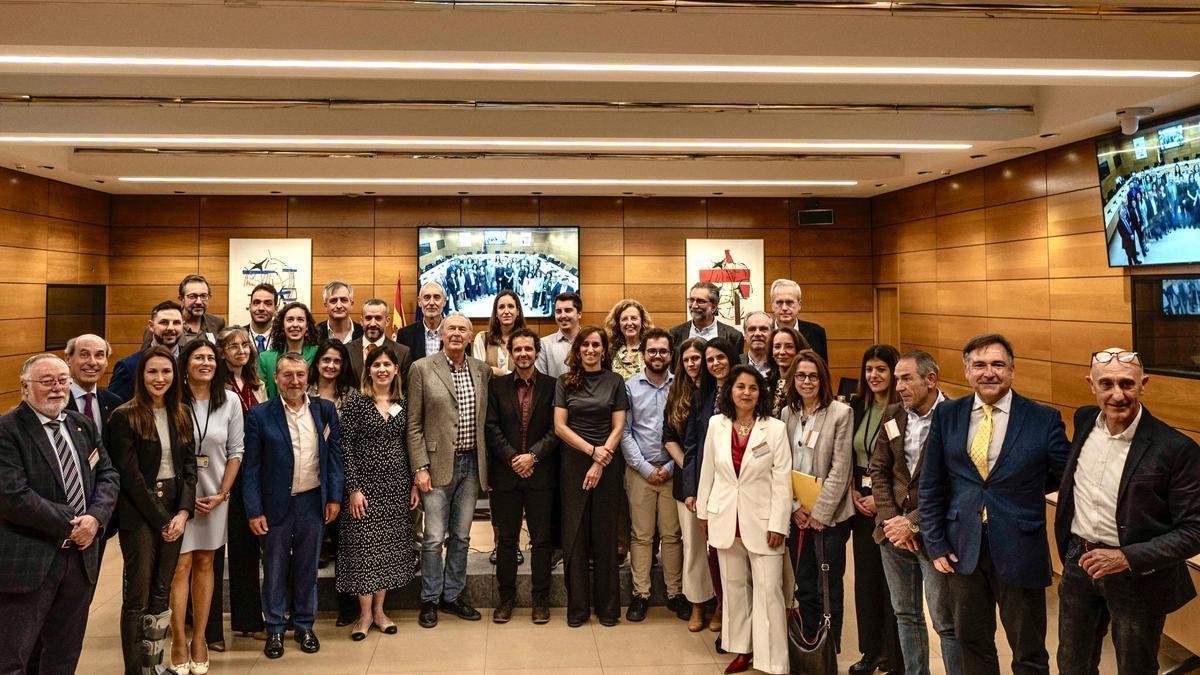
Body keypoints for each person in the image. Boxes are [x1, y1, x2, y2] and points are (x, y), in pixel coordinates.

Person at [919, 334, 1070, 675]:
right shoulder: (947, 415)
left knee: (1029, 651)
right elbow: (931, 484)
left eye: (998, 365)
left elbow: (1066, 475)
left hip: (1021, 547)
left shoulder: (1042, 418)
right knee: (973, 645)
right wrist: (936, 543)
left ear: (1012, 370)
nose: (990, 373)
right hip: (962, 550)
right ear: (967, 371)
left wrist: (1024, 490)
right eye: (980, 365)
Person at [1054, 348, 1200, 675]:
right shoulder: (1083, 421)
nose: (1117, 394)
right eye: (1106, 384)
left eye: (1127, 384)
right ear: (1090, 385)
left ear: (1143, 384)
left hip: (1136, 576)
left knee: (1135, 667)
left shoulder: (1176, 449)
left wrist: (1124, 557)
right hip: (1079, 562)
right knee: (1071, 664)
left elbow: (1195, 531)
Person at [0, 354, 119, 674]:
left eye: (63, 380)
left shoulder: (81, 424)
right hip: (31, 560)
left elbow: (108, 475)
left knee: (64, 655)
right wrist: (71, 525)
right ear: (25, 388)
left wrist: (94, 518)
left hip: (79, 561)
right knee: (13, 658)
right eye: (47, 381)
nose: (57, 388)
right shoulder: (7, 430)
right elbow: (13, 496)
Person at [242, 353, 344, 659]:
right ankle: (274, 628)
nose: (295, 381)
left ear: (307, 377)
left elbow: (334, 458)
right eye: (287, 375)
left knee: (306, 567)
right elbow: (251, 468)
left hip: (313, 501)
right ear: (276, 378)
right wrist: (254, 509)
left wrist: (334, 497)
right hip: (275, 505)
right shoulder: (260, 415)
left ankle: (304, 625)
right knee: (274, 568)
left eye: (300, 375)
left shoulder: (324, 411)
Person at [869, 350, 962, 675]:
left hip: (935, 534)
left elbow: (958, 483)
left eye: (906, 378)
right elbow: (879, 470)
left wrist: (913, 523)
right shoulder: (894, 414)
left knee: (945, 621)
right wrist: (892, 519)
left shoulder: (955, 416)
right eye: (898, 378)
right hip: (892, 534)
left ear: (931, 380)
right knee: (905, 614)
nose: (900, 385)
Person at [696, 365, 791, 675]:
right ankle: (741, 649)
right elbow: (707, 470)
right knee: (735, 590)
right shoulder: (716, 425)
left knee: (768, 591)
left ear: (760, 392)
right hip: (724, 518)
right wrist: (704, 513)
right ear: (730, 391)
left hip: (764, 523)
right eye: (740, 387)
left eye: (752, 387)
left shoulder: (774, 429)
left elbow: (782, 480)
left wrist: (779, 522)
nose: (746, 393)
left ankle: (773, 660)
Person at [109, 346, 197, 675]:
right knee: (138, 596)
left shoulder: (181, 412)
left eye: (166, 372)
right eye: (152, 372)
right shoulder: (124, 416)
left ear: (175, 376)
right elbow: (130, 479)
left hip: (175, 510)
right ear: (141, 376)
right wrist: (164, 521)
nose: (159, 378)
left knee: (162, 593)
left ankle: (154, 665)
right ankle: (136, 670)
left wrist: (183, 513)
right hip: (141, 514)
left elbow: (190, 468)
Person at [407, 313, 492, 628]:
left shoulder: (482, 371)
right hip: (436, 465)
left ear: (471, 337)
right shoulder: (421, 368)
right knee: (432, 538)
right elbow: (413, 425)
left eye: (462, 329)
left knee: (461, 536)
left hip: (472, 465)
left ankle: (452, 595)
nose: (456, 333)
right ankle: (429, 598)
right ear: (440, 335)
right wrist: (420, 467)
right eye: (450, 328)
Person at [168, 339, 244, 674]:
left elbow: (235, 451)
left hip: (215, 496)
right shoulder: (172, 400)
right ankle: (179, 640)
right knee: (179, 567)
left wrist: (222, 494)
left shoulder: (229, 401)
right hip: (178, 499)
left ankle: (200, 637)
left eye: (211, 358)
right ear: (185, 364)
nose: (205, 363)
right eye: (198, 357)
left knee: (206, 562)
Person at [337, 346, 419, 641]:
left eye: (388, 364)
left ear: (397, 369)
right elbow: (345, 447)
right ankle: (364, 614)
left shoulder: (404, 403)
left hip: (396, 486)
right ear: (368, 370)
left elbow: (410, 444)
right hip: (364, 488)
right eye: (376, 365)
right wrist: (354, 489)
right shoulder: (357, 403)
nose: (382, 369)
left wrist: (412, 483)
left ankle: (381, 612)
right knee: (362, 550)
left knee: (387, 549)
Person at [553, 325, 630, 627]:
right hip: (573, 463)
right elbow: (560, 426)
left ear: (603, 349)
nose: (590, 350)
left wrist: (601, 459)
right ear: (578, 349)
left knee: (605, 534)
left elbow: (619, 426)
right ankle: (578, 609)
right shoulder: (564, 382)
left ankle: (608, 609)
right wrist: (591, 452)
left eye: (596, 345)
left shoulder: (615, 381)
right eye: (585, 345)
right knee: (575, 534)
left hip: (608, 464)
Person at [779, 349, 855, 652]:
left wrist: (820, 513)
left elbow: (841, 468)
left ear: (822, 379)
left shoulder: (840, 413)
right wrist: (796, 508)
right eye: (800, 375)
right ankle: (809, 645)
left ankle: (829, 649)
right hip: (797, 515)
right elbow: (782, 463)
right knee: (806, 585)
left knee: (828, 587)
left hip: (829, 518)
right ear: (792, 379)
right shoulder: (787, 414)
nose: (807, 381)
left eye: (812, 376)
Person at [485, 328, 561, 624]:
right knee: (506, 540)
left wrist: (533, 456)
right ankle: (506, 599)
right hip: (506, 475)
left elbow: (557, 428)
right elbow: (490, 427)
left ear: (536, 351)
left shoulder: (553, 385)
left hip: (541, 474)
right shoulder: (497, 387)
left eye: (528, 349)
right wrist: (513, 458)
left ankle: (540, 599)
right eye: (518, 349)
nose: (523, 354)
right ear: (510, 352)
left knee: (542, 540)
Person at [619, 327, 683, 621]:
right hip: (639, 472)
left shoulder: (681, 387)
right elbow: (624, 432)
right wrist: (645, 468)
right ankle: (640, 594)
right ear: (643, 354)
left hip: (673, 471)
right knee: (641, 536)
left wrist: (670, 467)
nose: (657, 356)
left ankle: (675, 593)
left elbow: (685, 433)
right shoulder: (629, 387)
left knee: (672, 535)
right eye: (652, 351)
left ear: (671, 354)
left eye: (663, 351)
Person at [847, 344, 903, 675]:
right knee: (866, 581)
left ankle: (895, 655)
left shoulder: (902, 411)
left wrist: (882, 502)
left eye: (881, 369)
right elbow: (850, 454)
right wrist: (854, 490)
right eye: (869, 370)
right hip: (860, 505)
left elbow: (904, 466)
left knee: (893, 583)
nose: (874, 376)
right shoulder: (858, 407)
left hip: (892, 507)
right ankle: (871, 651)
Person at [216, 328, 267, 641]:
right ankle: (205, 626)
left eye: (244, 344)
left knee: (246, 549)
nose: (240, 349)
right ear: (222, 352)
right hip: (222, 473)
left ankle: (248, 620)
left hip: (254, 471)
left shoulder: (257, 384)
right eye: (232, 346)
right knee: (210, 552)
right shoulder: (216, 386)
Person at [663, 336, 716, 631]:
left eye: (697, 358)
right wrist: (692, 469)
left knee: (720, 547)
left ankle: (720, 605)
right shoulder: (676, 393)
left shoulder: (718, 393)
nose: (692, 364)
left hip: (723, 480)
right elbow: (668, 436)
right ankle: (697, 604)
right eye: (687, 360)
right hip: (688, 480)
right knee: (693, 547)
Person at [112, 301, 186, 402]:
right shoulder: (129, 366)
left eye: (176, 323)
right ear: (151, 326)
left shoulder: (191, 361)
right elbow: (115, 408)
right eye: (164, 322)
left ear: (183, 325)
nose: (170, 328)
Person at [140, 275, 226, 349]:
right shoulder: (159, 325)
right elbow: (144, 358)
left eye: (204, 296)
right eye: (192, 296)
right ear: (181, 299)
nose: (199, 302)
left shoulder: (217, 323)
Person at [257, 302, 320, 398]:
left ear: (307, 326)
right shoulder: (266, 358)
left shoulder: (318, 353)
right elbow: (262, 396)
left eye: (300, 320)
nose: (295, 324)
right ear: (282, 325)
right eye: (290, 320)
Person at [65, 334, 122, 435]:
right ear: (68, 359)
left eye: (99, 355)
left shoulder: (114, 402)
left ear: (106, 361)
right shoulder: (57, 401)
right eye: (84, 354)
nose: (92, 362)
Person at [345, 298, 411, 385]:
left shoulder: (402, 353)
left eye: (378, 318)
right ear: (361, 321)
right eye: (368, 318)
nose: (372, 324)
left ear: (387, 321)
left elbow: (403, 390)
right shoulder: (346, 350)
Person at [669, 282, 745, 356]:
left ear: (713, 307)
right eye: (691, 300)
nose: (694, 306)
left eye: (700, 301)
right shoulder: (674, 334)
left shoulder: (733, 337)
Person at [769, 278, 828, 363]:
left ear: (799, 305)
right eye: (779, 302)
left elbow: (823, 371)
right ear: (772, 306)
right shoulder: (765, 333)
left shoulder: (816, 332)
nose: (784, 308)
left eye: (789, 302)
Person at [474, 289, 527, 377]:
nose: (506, 312)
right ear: (496, 313)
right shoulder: (482, 339)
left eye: (510, 306)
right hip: (490, 390)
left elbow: (527, 374)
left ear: (517, 312)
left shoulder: (527, 340)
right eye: (501, 307)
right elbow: (479, 374)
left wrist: (500, 373)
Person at [395, 282, 448, 361]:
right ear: (419, 302)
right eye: (427, 298)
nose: (431, 303)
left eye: (437, 297)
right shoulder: (404, 335)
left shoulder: (456, 333)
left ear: (444, 302)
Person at [536, 291, 582, 379]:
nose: (563, 315)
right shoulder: (543, 344)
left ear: (579, 314)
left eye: (568, 310)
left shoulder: (591, 343)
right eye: (558, 311)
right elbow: (541, 382)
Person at [606, 298, 654, 380]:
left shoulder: (651, 350)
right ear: (618, 324)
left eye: (634, 318)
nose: (629, 323)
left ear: (642, 322)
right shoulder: (610, 353)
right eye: (624, 319)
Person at [766, 326, 808, 415]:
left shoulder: (806, 384)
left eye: (789, 347)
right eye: (777, 346)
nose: (782, 352)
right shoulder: (767, 383)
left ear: (799, 350)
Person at [309, 341, 357, 411]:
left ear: (343, 366)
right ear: (317, 363)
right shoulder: (304, 390)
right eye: (326, 360)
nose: (331, 366)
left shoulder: (351, 395)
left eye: (337, 361)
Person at [245, 283, 278, 354]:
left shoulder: (283, 337)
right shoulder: (239, 335)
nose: (261, 308)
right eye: (256, 302)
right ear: (250, 307)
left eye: (268, 303)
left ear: (276, 309)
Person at [738, 311, 772, 378]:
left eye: (763, 329)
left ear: (772, 334)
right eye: (752, 329)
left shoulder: (779, 364)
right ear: (745, 335)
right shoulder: (735, 363)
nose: (757, 334)